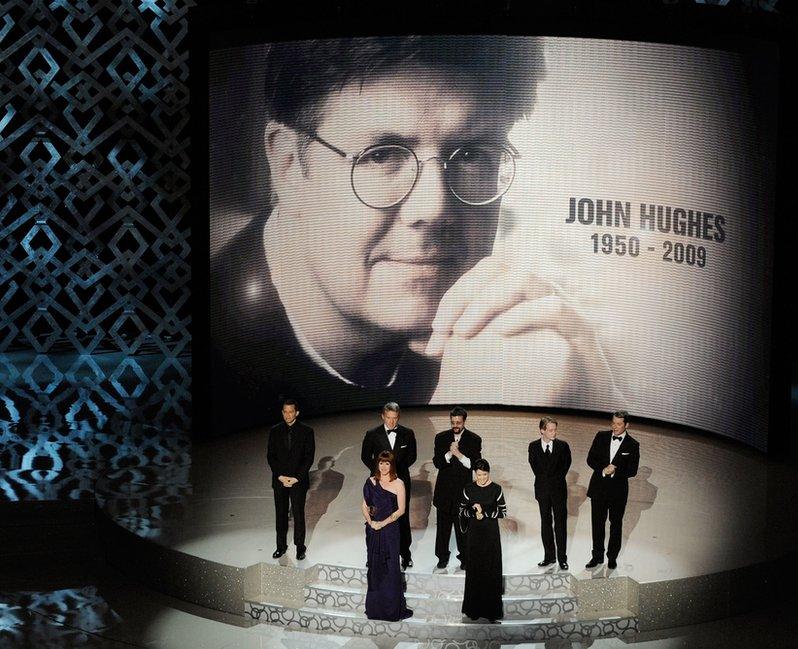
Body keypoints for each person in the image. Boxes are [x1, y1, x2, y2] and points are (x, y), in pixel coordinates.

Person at [209, 36, 620, 434]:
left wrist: (599, 406)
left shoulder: (519, 333)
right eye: (382, 155)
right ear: (288, 166)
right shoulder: (200, 372)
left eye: (475, 155)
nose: (435, 209)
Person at [361, 402, 417, 568]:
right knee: (375, 514)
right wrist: (381, 473)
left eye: (394, 418)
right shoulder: (372, 434)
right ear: (383, 416)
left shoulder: (408, 433)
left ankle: (405, 554)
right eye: (388, 418)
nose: (391, 422)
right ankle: (373, 553)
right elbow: (365, 456)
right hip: (378, 483)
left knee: (402, 518)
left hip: (400, 482)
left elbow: (412, 457)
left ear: (398, 417)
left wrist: (395, 474)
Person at [585, 410, 640, 570]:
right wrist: (603, 469)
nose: (615, 427)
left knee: (615, 525)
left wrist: (615, 470)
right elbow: (590, 459)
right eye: (613, 423)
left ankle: (612, 557)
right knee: (597, 524)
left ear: (626, 425)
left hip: (618, 492)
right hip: (598, 488)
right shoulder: (600, 436)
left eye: (618, 424)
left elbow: (633, 470)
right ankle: (597, 556)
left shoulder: (632, 444)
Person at [361, 451, 412, 621]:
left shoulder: (399, 483)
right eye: (381, 463)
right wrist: (371, 523)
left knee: (390, 569)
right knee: (375, 568)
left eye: (387, 463)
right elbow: (364, 505)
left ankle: (391, 610)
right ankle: (376, 609)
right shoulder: (371, 481)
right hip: (373, 531)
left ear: (392, 465)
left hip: (390, 531)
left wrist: (382, 523)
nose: (383, 467)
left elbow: (401, 510)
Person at [432, 406, 482, 569]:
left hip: (463, 492)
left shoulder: (474, 439)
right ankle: (442, 557)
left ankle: (465, 557)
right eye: (453, 422)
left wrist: (459, 455)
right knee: (443, 529)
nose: (455, 425)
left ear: (464, 421)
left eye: (458, 422)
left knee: (463, 528)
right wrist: (448, 453)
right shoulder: (441, 438)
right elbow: (437, 463)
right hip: (444, 492)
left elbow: (474, 465)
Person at [267, 399, 315, 560]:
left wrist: (296, 478)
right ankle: (280, 546)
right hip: (280, 481)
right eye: (285, 412)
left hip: (298, 481)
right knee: (280, 514)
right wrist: (280, 476)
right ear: (282, 412)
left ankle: (300, 547)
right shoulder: (274, 431)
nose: (288, 415)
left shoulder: (307, 431)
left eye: (291, 411)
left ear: (297, 412)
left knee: (298, 514)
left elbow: (309, 458)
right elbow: (271, 456)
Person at [459, 458, 506, 622]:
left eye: (484, 475)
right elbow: (462, 510)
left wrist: (483, 511)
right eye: (479, 475)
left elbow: (503, 512)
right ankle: (474, 610)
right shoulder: (469, 488)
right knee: (475, 570)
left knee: (491, 570)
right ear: (475, 473)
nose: (482, 478)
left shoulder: (496, 489)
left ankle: (492, 612)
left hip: (491, 535)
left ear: (488, 473)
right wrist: (473, 512)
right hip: (474, 535)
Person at [528, 416, 571, 570]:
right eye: (551, 430)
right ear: (542, 430)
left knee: (560, 525)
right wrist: (547, 481)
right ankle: (549, 557)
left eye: (555, 429)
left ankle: (562, 558)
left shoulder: (563, 446)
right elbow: (536, 469)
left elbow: (566, 466)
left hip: (558, 491)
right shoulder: (533, 447)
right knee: (545, 524)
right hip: (542, 491)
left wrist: (553, 480)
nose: (554, 432)